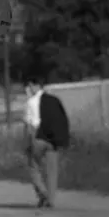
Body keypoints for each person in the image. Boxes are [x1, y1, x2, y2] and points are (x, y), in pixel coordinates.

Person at [24, 79, 70, 208]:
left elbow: (29, 125)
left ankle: (42, 193)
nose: (28, 88)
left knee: (33, 166)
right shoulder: (54, 100)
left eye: (29, 85)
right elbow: (63, 119)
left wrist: (27, 143)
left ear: (33, 86)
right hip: (53, 140)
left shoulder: (31, 102)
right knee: (52, 170)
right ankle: (51, 199)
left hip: (38, 138)